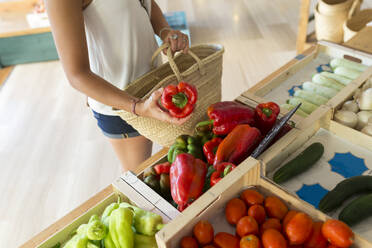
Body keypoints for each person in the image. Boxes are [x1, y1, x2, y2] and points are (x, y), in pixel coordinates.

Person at [45, 0, 190, 172]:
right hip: (123, 104)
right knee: (137, 178)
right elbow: (76, 75)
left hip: (152, 89)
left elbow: (146, 4)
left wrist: (165, 31)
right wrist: (138, 107)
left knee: (151, 172)